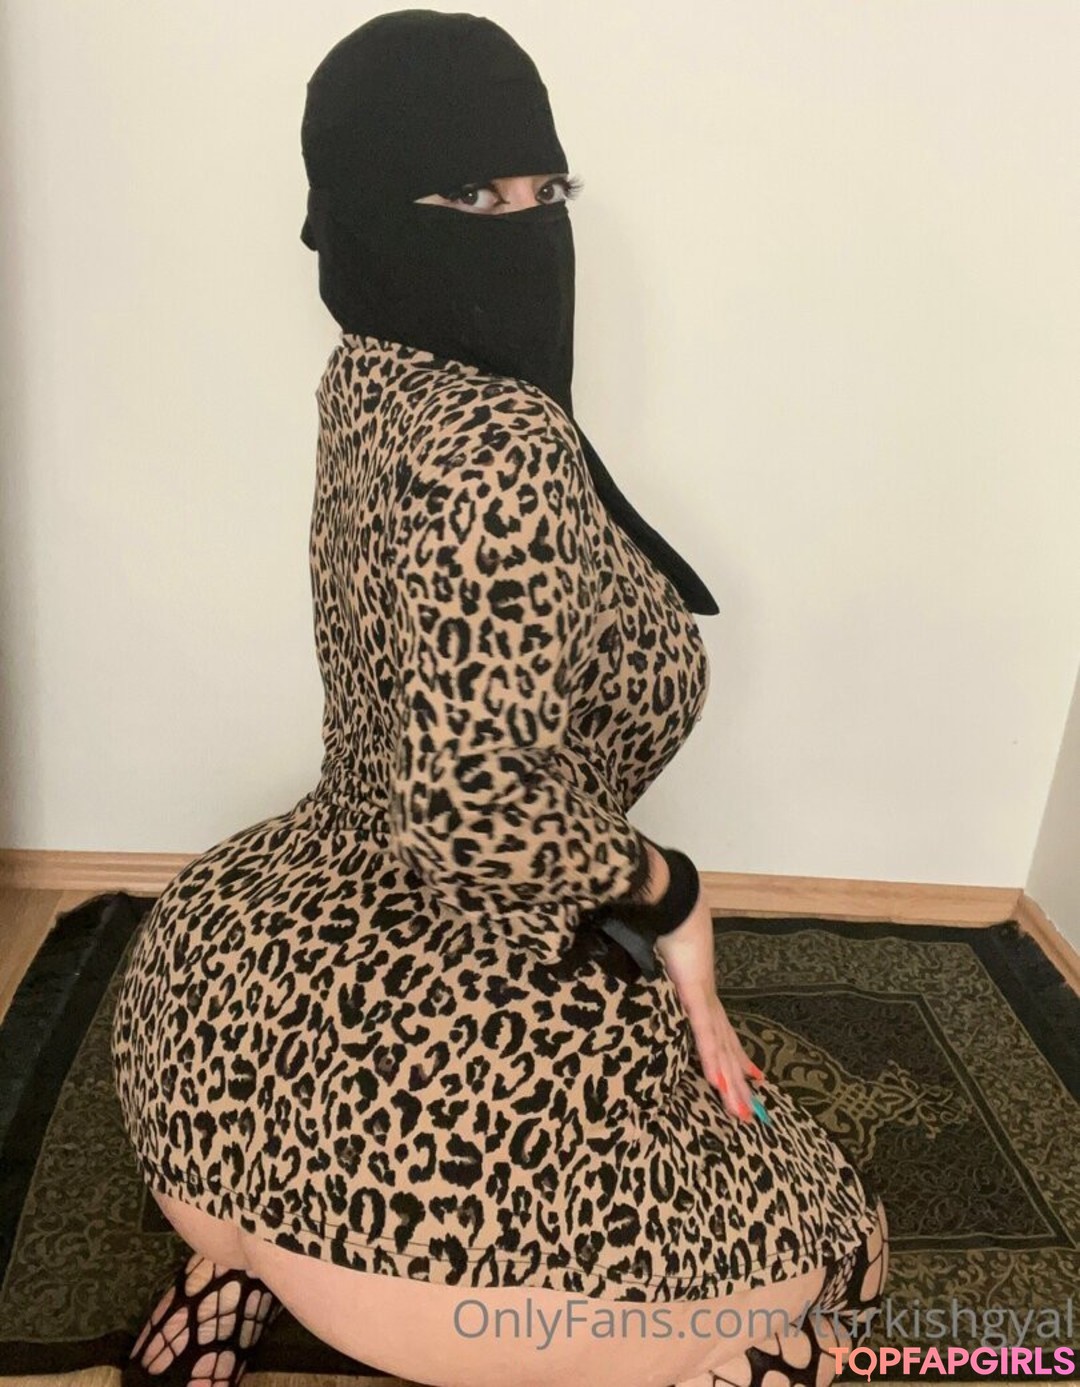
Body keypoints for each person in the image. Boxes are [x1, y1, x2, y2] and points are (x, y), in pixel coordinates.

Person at [109, 11, 888, 1387]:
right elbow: (473, 809)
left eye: (546, 191)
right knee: (843, 1255)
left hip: (243, 981)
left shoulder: (370, 374)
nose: (527, 232)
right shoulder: (505, 442)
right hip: (457, 1046)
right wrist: (671, 893)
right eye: (472, 196)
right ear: (369, 213)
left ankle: (233, 1272)